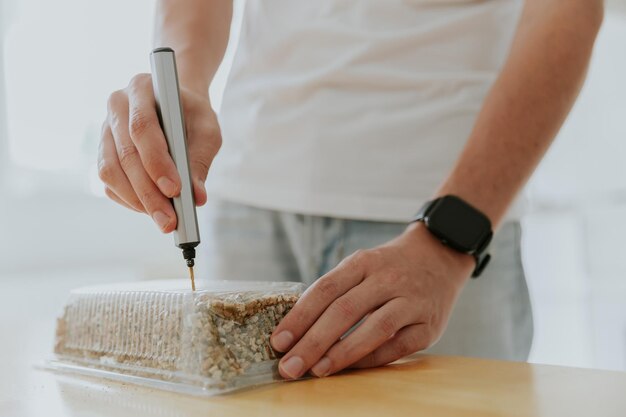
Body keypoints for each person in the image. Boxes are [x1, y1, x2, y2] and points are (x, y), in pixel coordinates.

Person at [98, 0, 603, 380]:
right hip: (248, 203)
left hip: (438, 225)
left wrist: (448, 239)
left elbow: (569, 9)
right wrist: (180, 82)